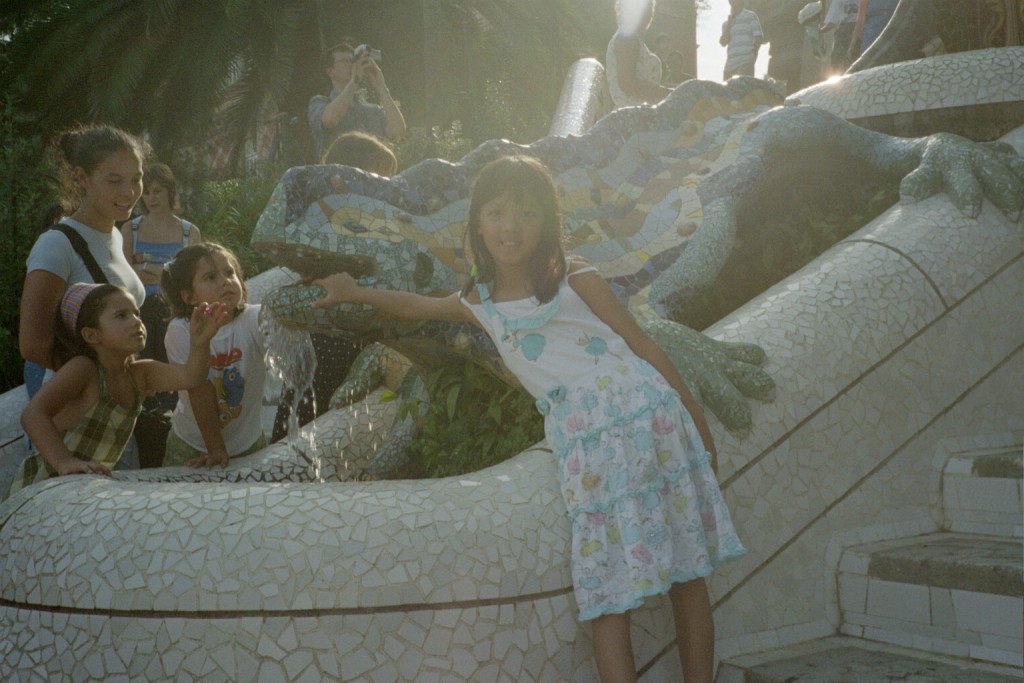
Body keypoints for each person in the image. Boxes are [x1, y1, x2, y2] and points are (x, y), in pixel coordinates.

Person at [312, 156, 746, 682]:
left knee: (686, 572)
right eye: (496, 212)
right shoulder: (480, 301)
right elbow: (416, 306)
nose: (510, 226)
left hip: (648, 418)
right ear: (478, 223)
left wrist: (696, 422)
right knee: (609, 594)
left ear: (546, 222)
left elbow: (644, 345)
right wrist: (354, 292)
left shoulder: (575, 277)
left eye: (525, 212)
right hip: (588, 445)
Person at [8, 283, 228, 497]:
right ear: (91, 335)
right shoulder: (84, 369)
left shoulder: (140, 374)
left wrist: (200, 341)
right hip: (44, 486)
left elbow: (192, 377)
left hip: (84, 493)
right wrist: (64, 461)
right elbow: (33, 415)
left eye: (136, 313)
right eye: (121, 315)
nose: (137, 322)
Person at [271, 131, 398, 443]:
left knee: (316, 400)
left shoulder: (368, 217)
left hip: (356, 329)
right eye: (380, 175)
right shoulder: (338, 216)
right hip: (334, 332)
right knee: (311, 398)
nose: (387, 185)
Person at [120, 162, 203, 466]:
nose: (151, 198)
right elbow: (126, 274)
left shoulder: (189, 231)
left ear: (170, 192)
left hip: (174, 316)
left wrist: (146, 268)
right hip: (139, 315)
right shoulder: (131, 228)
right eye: (147, 192)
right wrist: (164, 272)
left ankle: (175, 446)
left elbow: (189, 280)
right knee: (140, 383)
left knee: (174, 383)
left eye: (157, 191)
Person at [160, 243, 268, 468]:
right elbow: (198, 388)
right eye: (210, 277)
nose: (225, 281)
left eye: (229, 272)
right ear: (190, 297)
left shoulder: (253, 319)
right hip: (192, 444)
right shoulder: (181, 330)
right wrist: (215, 447)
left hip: (249, 442)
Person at [308, 41, 406, 162]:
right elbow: (330, 120)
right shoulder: (320, 102)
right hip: (339, 172)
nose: (351, 64)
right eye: (345, 61)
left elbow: (398, 132)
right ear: (330, 71)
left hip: (372, 172)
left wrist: (381, 87)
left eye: (353, 60)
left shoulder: (374, 110)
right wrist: (354, 81)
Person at [605, 0, 672, 108]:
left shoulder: (634, 39)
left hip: (640, 111)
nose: (649, 14)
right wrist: (671, 94)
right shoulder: (627, 39)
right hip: (632, 114)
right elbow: (628, 83)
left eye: (650, 8)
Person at [720, 0, 764, 79]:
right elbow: (723, 42)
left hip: (745, 62)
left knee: (742, 86)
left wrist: (753, 56)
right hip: (729, 66)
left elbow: (758, 37)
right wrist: (729, 24)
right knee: (727, 87)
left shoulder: (750, 16)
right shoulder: (726, 24)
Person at [821, 0, 859, 73]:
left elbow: (832, 22)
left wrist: (821, 30)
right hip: (852, 29)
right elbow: (832, 22)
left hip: (849, 29)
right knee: (841, 59)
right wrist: (821, 30)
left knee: (840, 59)